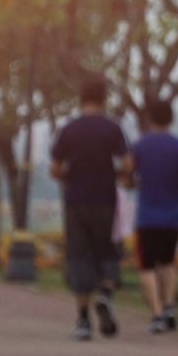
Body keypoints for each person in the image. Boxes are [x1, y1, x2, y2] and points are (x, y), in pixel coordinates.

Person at [50, 77, 132, 341]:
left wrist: (69, 173)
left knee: (80, 256)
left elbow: (54, 168)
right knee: (107, 251)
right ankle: (105, 296)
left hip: (76, 201)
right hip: (105, 200)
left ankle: (83, 320)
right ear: (103, 99)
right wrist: (113, 173)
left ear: (81, 99)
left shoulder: (68, 129)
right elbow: (128, 164)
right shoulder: (113, 128)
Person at [127, 99, 178, 333]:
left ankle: (157, 314)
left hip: (147, 216)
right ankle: (169, 306)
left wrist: (134, 184)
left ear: (149, 118)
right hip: (172, 215)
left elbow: (126, 174)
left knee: (146, 266)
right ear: (171, 119)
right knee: (168, 262)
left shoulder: (139, 146)